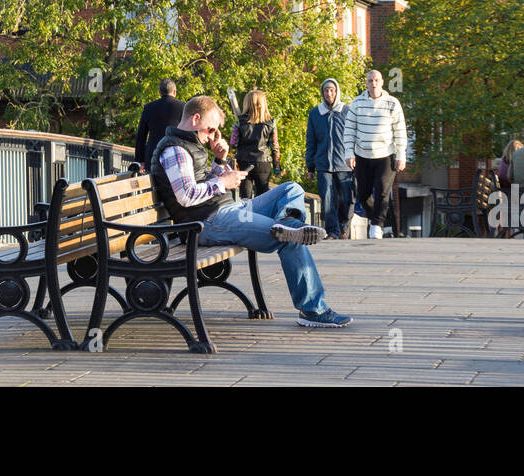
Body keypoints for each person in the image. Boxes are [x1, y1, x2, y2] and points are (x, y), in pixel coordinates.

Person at [150, 94, 351, 328]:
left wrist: (219, 161)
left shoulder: (190, 145)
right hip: (208, 222)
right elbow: (186, 197)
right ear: (195, 119)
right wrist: (223, 182)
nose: (213, 136)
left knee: (292, 189)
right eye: (211, 130)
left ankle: (290, 222)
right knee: (288, 238)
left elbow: (200, 180)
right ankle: (313, 310)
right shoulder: (176, 150)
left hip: (229, 210)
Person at [342, 70, 408, 240]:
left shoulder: (392, 103)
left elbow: (400, 131)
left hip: (386, 154)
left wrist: (401, 155)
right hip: (362, 155)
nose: (373, 83)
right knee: (362, 195)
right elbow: (349, 131)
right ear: (366, 83)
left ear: (382, 82)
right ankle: (375, 219)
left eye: (376, 80)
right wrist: (349, 153)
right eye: (370, 80)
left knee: (382, 190)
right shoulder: (357, 103)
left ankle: (377, 226)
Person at [304, 78, 354, 239]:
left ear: (337, 92)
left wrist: (355, 158)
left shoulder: (346, 111)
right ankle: (333, 231)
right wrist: (310, 166)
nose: (329, 93)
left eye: (332, 90)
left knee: (347, 199)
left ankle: (344, 225)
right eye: (326, 90)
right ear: (322, 93)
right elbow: (311, 140)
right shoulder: (315, 113)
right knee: (327, 199)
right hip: (323, 164)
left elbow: (354, 137)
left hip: (344, 164)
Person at [230, 89, 281, 199]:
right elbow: (275, 147)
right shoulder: (271, 122)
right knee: (262, 199)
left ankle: (246, 216)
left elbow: (233, 143)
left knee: (245, 198)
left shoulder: (240, 121)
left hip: (244, 162)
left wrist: (237, 127)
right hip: (263, 163)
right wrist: (277, 169)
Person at [135, 78, 184, 171]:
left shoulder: (149, 107)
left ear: (159, 92)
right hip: (176, 158)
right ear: (175, 91)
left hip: (153, 157)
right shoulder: (183, 107)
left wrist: (140, 160)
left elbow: (141, 136)